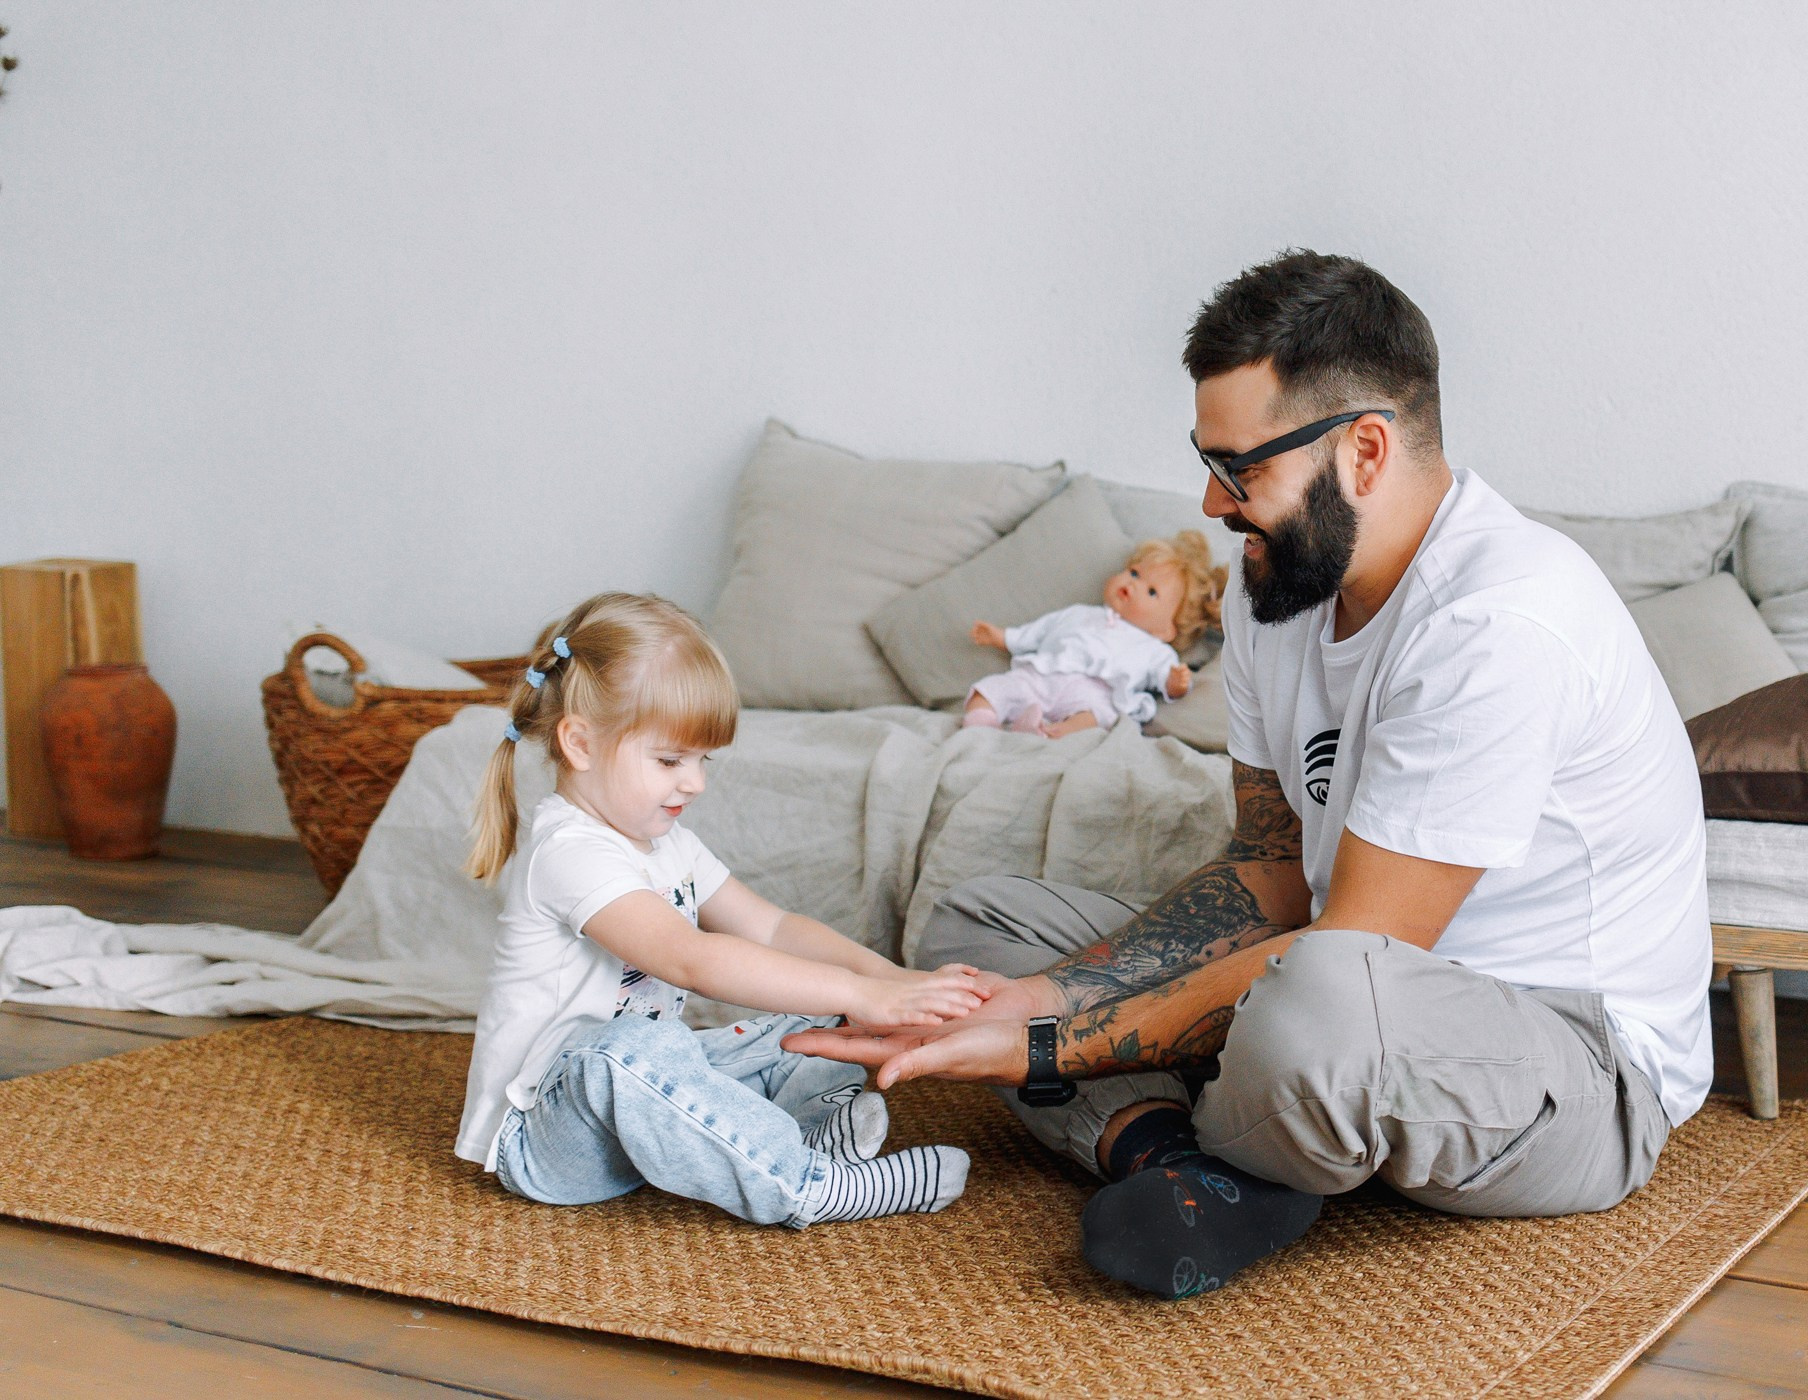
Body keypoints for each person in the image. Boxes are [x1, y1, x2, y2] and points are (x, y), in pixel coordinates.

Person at [787, 251, 1714, 1297]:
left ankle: (1205, 1126)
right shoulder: (1275, 588)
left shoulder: (1497, 623)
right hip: (1327, 985)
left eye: (1239, 469)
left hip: (1578, 1061)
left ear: (1365, 450)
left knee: (1313, 1004)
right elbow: (1270, 871)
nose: (1211, 502)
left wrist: (1044, 1045)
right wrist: (1037, 994)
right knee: (973, 931)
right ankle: (1191, 1163)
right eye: (1208, 462)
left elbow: (1357, 947)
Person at [455, 591, 992, 1228]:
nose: (695, 782)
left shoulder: (668, 843)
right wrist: (864, 992)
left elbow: (773, 928)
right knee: (624, 1051)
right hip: (548, 1138)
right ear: (580, 744)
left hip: (647, 1117)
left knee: (816, 1005)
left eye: (701, 759)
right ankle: (807, 1185)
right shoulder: (569, 851)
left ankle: (805, 1132)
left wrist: (889, 981)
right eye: (669, 760)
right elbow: (691, 960)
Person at [962, 532, 1226, 737]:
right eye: (1134, 573)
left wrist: (1176, 683)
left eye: (1151, 591)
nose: (1133, 584)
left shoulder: (1155, 650)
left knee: (1100, 716)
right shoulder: (1081, 613)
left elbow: (1163, 678)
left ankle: (1051, 733)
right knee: (991, 689)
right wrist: (1003, 637)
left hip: (1093, 693)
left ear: (1165, 629)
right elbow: (1039, 632)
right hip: (1044, 675)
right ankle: (980, 730)